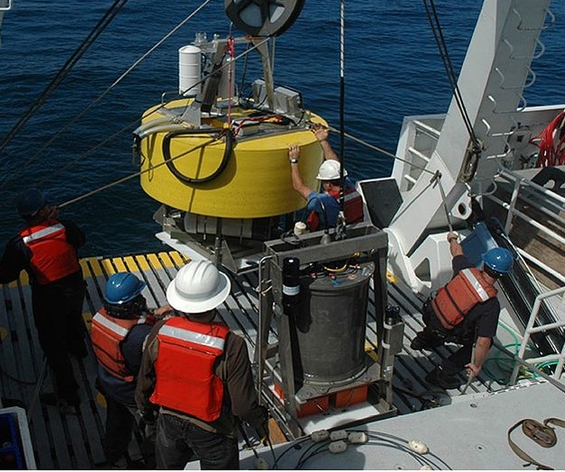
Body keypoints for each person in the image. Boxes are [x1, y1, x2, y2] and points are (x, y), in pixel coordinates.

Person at [135, 260, 269, 470]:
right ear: (216, 300)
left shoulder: (161, 330)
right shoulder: (232, 345)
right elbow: (243, 406)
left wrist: (148, 415)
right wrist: (260, 422)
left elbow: (145, 381)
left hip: (168, 422)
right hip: (213, 430)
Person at [0, 188, 89, 413]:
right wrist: (56, 221)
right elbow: (80, 241)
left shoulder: (19, 244)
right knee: (74, 318)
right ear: (42, 211)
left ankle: (69, 393)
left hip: (48, 295)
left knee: (53, 343)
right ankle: (79, 348)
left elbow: (6, 277)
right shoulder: (66, 226)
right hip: (74, 285)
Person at [410, 231, 514, 388]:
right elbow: (483, 341)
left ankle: (422, 340)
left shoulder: (465, 269)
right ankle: (441, 373)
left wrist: (452, 238)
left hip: (429, 314)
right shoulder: (491, 305)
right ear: (502, 275)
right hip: (446, 329)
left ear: (484, 262)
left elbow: (456, 251)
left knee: (442, 316)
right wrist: (476, 366)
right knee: (485, 342)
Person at [91, 272, 163, 469]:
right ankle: (153, 463)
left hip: (109, 383)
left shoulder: (101, 317)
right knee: (152, 429)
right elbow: (154, 366)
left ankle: (113, 456)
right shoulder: (140, 337)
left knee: (116, 424)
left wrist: (155, 315)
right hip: (133, 392)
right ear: (134, 303)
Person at [288, 123, 364, 232]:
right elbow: (335, 164)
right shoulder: (350, 189)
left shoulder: (324, 201)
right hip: (352, 232)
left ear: (328, 184)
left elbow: (298, 186)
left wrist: (293, 160)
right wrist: (323, 140)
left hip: (327, 236)